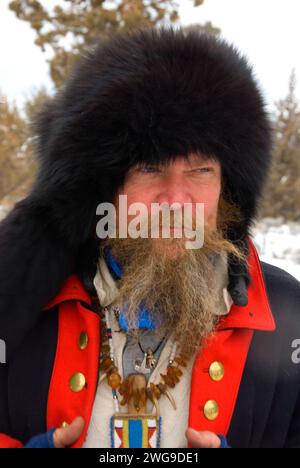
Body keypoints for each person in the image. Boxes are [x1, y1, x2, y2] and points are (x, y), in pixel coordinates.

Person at [0, 27, 299, 449]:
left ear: (227, 190)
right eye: (148, 168)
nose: (176, 201)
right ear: (105, 186)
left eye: (200, 170)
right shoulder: (29, 302)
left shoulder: (288, 316)